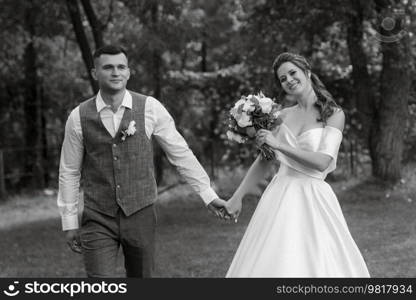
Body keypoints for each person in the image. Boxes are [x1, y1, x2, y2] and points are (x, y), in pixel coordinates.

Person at [57, 45, 228, 278]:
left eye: (121, 67)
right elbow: (69, 171)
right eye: (108, 67)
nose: (115, 72)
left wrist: (208, 195)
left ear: (129, 72)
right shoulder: (78, 117)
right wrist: (69, 222)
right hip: (98, 216)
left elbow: (180, 154)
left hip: (140, 213)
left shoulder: (150, 108)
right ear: (95, 73)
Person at [224, 52, 370, 277]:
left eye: (293, 73)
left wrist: (279, 145)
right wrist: (238, 196)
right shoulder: (280, 116)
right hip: (280, 193)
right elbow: (265, 160)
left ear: (307, 72)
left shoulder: (333, 114)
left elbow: (323, 162)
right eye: (283, 79)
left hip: (313, 195)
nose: (289, 80)